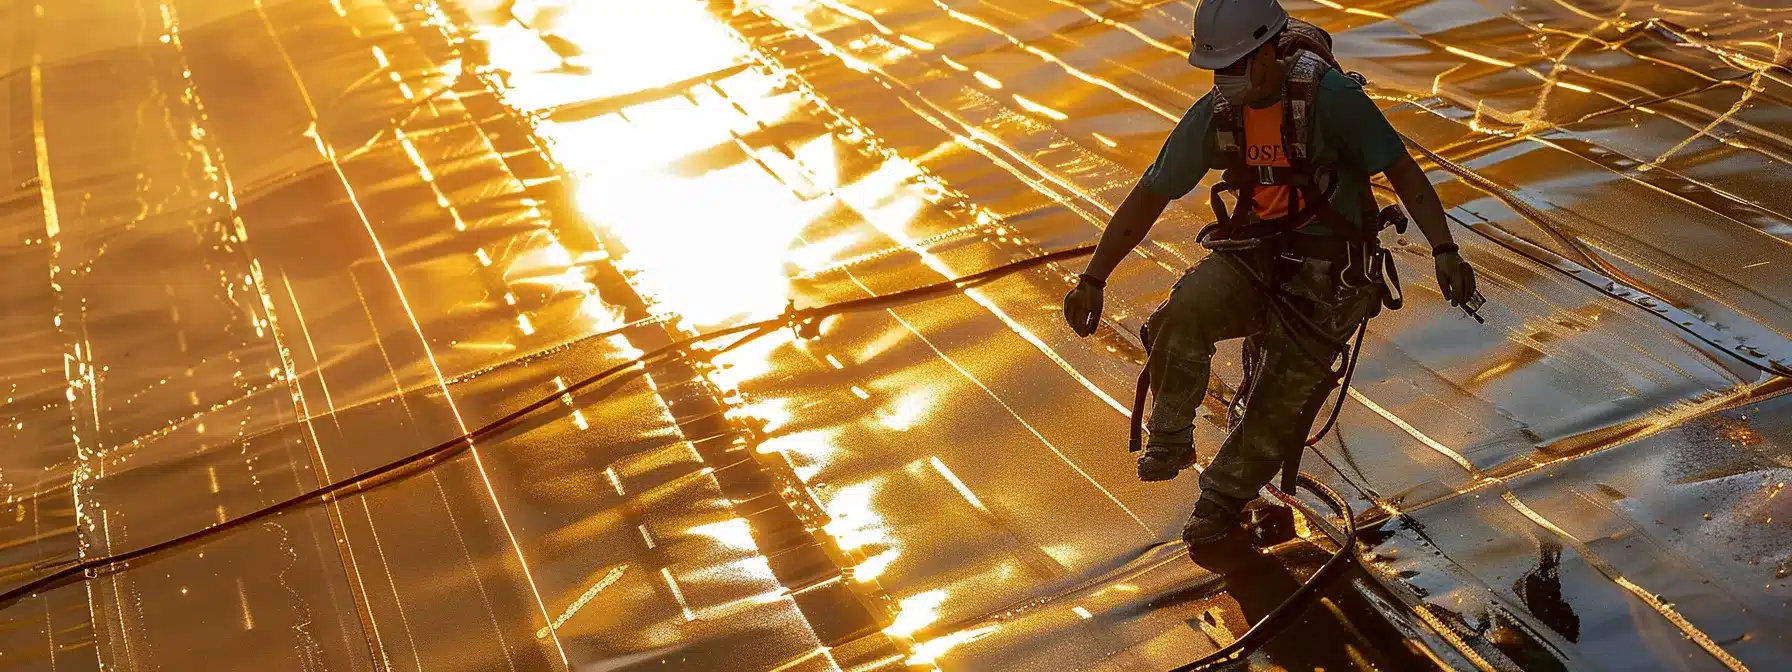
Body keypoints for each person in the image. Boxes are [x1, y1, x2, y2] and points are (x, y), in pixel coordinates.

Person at [1062, 0, 1478, 546]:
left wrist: (1445, 249)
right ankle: (1170, 437)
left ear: (1269, 52)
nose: (1226, 80)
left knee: (1279, 401)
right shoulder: (1217, 114)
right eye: (1218, 70)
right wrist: (1094, 278)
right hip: (1256, 256)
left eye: (1236, 67)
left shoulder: (1333, 101)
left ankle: (1220, 500)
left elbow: (1404, 173)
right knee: (1182, 312)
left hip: (1334, 275)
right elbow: (1151, 194)